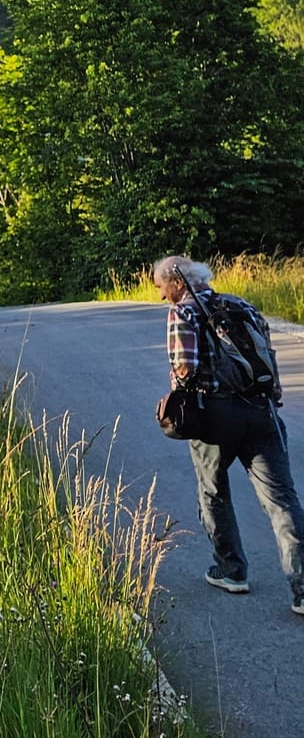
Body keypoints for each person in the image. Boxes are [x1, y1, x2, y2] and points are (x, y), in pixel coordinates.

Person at [151, 255, 304, 614]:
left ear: (176, 282)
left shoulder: (182, 312)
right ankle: (302, 588)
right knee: (282, 500)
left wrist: (177, 401)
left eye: (161, 287)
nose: (161, 296)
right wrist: (272, 397)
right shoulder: (242, 306)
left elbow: (185, 369)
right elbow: (269, 355)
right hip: (261, 411)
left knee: (213, 492)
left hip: (213, 417)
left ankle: (232, 570)